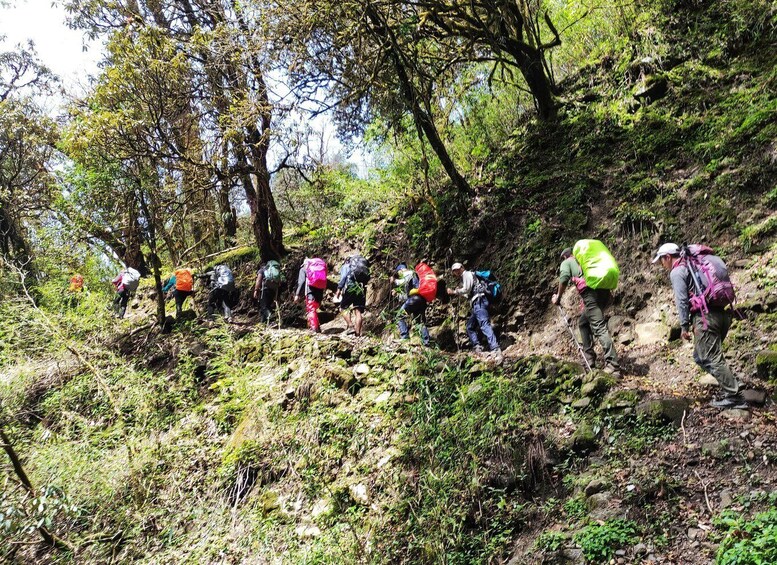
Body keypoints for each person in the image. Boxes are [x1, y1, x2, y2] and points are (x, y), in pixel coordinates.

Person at [652, 242, 746, 409]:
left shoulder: (678, 271)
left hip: (705, 317)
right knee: (700, 356)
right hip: (722, 314)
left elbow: (681, 301)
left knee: (710, 357)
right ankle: (732, 383)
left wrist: (684, 327)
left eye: (661, 260)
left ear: (667, 257)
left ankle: (734, 396)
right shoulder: (696, 264)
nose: (662, 264)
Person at [552, 247, 621, 377]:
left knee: (599, 328)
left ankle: (613, 366)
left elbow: (564, 279)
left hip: (590, 294)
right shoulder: (586, 260)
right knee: (583, 322)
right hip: (604, 292)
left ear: (565, 257)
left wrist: (558, 297)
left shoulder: (567, 262)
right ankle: (590, 359)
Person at [447, 262, 502, 360]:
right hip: (477, 303)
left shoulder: (467, 274)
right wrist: (458, 292)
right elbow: (468, 293)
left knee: (484, 324)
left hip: (479, 302)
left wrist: (454, 291)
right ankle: (477, 346)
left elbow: (467, 289)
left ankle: (495, 348)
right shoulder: (469, 276)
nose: (457, 272)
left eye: (458, 269)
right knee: (470, 326)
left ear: (462, 268)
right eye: (455, 271)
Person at [392, 263, 431, 346]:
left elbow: (402, 282)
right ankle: (426, 342)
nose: (399, 275)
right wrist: (397, 294)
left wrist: (394, 280)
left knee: (399, 316)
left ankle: (404, 337)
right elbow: (406, 296)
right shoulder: (414, 276)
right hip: (421, 300)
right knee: (419, 321)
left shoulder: (409, 273)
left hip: (414, 299)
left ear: (401, 270)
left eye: (398, 272)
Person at [335, 255, 370, 337]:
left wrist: (339, 289)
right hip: (361, 288)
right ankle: (357, 334)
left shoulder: (347, 266)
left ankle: (350, 326)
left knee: (343, 307)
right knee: (358, 311)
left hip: (351, 286)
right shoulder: (362, 268)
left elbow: (343, 277)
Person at [294, 257, 327, 333]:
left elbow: (301, 282)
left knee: (311, 309)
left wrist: (297, 294)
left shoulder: (303, 269)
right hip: (320, 291)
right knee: (314, 309)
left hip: (310, 291)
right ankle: (317, 327)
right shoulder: (319, 268)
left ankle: (314, 328)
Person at [253, 260, 282, 324]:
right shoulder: (274, 271)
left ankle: (272, 320)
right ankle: (263, 322)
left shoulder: (262, 270)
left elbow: (258, 280)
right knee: (267, 306)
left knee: (264, 306)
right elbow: (279, 282)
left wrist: (256, 290)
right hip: (273, 290)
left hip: (264, 290)